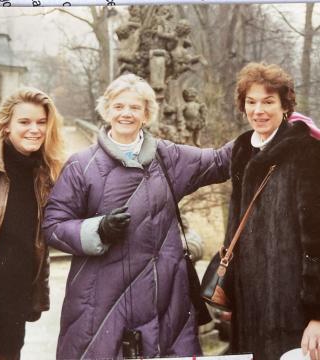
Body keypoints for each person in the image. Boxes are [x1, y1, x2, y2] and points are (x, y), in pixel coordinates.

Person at [42, 73, 233, 359]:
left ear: (147, 113)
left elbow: (219, 161)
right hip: (101, 305)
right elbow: (53, 225)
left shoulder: (169, 157)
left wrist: (269, 128)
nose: (126, 113)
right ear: (107, 111)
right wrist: (97, 230)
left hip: (167, 302)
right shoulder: (81, 165)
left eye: (135, 107)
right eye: (118, 106)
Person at [224, 62, 320, 360]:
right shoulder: (242, 149)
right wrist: (229, 294)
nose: (259, 111)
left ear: (285, 106)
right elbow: (233, 227)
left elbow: (316, 240)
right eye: (251, 102)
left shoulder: (306, 150)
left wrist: (317, 316)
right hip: (249, 305)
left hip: (293, 308)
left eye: (268, 102)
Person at [0, 87, 65, 359]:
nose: (35, 129)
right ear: (6, 125)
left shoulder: (44, 174)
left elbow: (39, 244)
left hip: (13, 308)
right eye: (24, 122)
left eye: (41, 122)